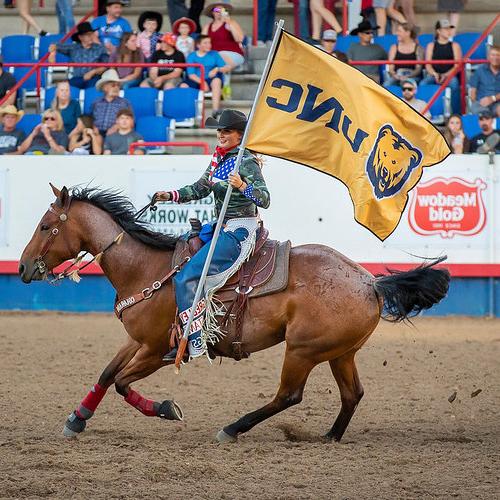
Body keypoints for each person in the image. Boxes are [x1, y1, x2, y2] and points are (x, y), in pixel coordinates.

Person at [154, 109, 270, 361]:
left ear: (240, 135)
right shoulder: (219, 158)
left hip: (239, 228)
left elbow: (264, 199)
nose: (221, 134)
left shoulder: (246, 162)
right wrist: (170, 196)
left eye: (226, 130)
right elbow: (199, 188)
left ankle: (195, 342)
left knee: (187, 278)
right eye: (219, 130)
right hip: (219, 225)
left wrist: (242, 186)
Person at [49, 22, 109, 90]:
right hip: (76, 79)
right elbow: (54, 46)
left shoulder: (100, 48)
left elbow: (106, 65)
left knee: (93, 89)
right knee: (65, 88)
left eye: (91, 34)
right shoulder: (73, 48)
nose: (91, 36)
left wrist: (93, 72)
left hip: (93, 79)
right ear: (80, 37)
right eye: (87, 35)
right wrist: (52, 54)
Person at [184, 35, 231, 118]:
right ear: (198, 45)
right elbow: (191, 75)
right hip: (196, 79)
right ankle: (186, 113)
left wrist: (217, 69)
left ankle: (215, 110)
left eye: (209, 42)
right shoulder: (192, 56)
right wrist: (203, 82)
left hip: (210, 79)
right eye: (205, 43)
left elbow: (226, 68)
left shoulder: (214, 54)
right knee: (183, 86)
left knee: (217, 81)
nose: (209, 45)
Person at [422, 19, 461, 113]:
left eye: (449, 29)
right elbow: (428, 64)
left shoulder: (455, 45)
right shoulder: (431, 45)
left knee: (454, 84)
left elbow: (457, 66)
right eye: (445, 29)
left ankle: (455, 114)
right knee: (423, 85)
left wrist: (446, 75)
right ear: (438, 31)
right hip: (433, 74)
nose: (449, 31)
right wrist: (435, 74)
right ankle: (425, 112)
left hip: (450, 75)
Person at [202, 3, 245, 70]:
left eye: (222, 10)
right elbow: (202, 43)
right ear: (212, 12)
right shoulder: (207, 27)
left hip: (232, 53)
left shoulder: (232, 23)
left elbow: (239, 39)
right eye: (216, 9)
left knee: (220, 57)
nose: (219, 11)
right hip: (213, 55)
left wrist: (229, 24)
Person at [91, 69, 132, 136]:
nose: (116, 88)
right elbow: (91, 118)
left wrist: (116, 127)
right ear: (105, 88)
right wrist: (94, 127)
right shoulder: (96, 102)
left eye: (118, 85)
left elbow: (131, 121)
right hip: (97, 133)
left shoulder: (124, 103)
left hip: (117, 133)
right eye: (113, 85)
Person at [384, 23, 423, 87]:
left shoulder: (418, 48)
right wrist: (396, 76)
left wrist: (407, 77)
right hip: (397, 76)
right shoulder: (394, 47)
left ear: (408, 33)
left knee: (408, 85)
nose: (397, 33)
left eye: (399, 31)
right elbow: (390, 68)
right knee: (387, 85)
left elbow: (418, 69)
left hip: (413, 77)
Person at [469, 46, 500, 117]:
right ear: (488, 57)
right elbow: (473, 91)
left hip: (498, 102)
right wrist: (477, 103)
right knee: (482, 115)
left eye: (498, 55)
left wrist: (493, 98)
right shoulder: (480, 70)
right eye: (493, 55)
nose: (495, 58)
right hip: (481, 102)